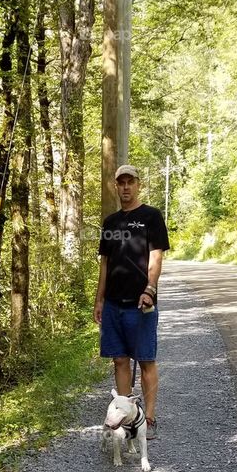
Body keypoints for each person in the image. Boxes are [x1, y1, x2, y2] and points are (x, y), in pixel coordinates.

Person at [93, 164, 170, 439]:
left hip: (141, 303)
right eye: (121, 182)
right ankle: (126, 416)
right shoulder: (111, 223)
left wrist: (150, 289)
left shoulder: (151, 217)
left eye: (130, 182)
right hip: (114, 303)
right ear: (116, 186)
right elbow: (105, 263)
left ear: (138, 185)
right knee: (120, 360)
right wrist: (99, 299)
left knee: (146, 360)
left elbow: (156, 257)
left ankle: (148, 419)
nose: (126, 187)